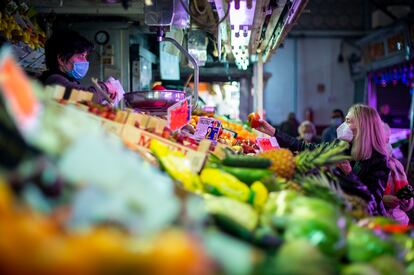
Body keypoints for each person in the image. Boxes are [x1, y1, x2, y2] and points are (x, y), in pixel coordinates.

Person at [255, 104, 390, 216]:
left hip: (367, 220)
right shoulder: (342, 146)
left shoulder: (379, 161)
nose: (343, 125)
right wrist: (273, 132)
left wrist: (349, 174)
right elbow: (305, 147)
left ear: (362, 127)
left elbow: (371, 200)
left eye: (348, 121)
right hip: (342, 210)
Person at [39, 29, 117, 103]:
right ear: (61, 59)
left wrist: (103, 95)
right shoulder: (54, 80)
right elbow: (88, 96)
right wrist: (106, 87)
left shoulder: (69, 80)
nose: (85, 61)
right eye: (80, 57)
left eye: (85, 57)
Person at [382, 123, 413, 224]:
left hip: (398, 220)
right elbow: (359, 196)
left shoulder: (396, 165)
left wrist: (408, 201)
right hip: (378, 221)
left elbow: (407, 192)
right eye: (384, 141)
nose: (388, 145)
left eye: (388, 140)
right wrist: (381, 200)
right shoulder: (363, 164)